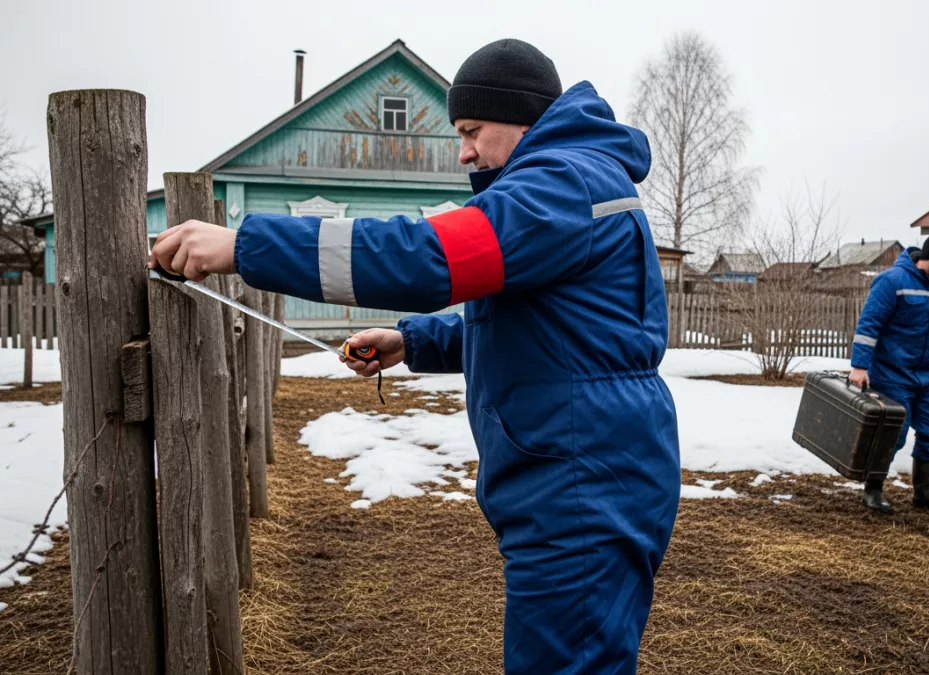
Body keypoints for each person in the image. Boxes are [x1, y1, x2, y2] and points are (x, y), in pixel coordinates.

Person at [149, 38, 682, 674]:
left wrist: (246, 245)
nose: (464, 152)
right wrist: (415, 342)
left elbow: (424, 258)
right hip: (587, 475)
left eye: (472, 130)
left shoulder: (561, 187)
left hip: (580, 491)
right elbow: (548, 335)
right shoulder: (573, 181)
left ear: (519, 117)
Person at [847, 233, 929, 515]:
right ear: (928, 259)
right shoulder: (892, 281)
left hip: (928, 377)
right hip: (891, 375)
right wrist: (859, 366)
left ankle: (924, 492)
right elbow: (869, 325)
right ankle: (873, 491)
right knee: (893, 434)